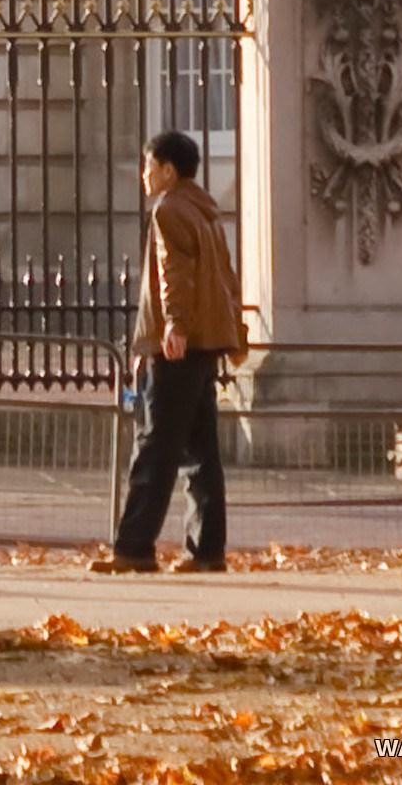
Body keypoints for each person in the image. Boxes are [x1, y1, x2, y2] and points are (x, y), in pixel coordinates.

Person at [99, 128, 247, 574]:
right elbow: (224, 275)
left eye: (148, 167)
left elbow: (172, 272)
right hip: (206, 343)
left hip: (179, 345)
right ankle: (206, 550)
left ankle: (134, 546)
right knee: (202, 453)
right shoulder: (204, 210)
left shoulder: (168, 210)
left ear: (167, 170)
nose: (144, 177)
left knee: (155, 445)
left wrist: (174, 326)